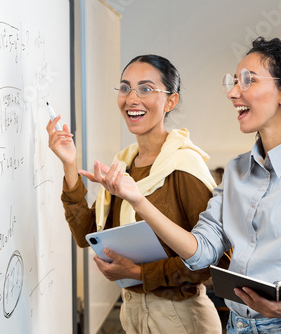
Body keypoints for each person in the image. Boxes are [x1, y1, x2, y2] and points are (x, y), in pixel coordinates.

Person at [80, 37, 281, 333]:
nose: (233, 92)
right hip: (237, 326)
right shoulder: (237, 170)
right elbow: (200, 254)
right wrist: (137, 200)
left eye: (248, 81)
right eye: (233, 82)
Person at [47, 54, 228, 333]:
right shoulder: (124, 164)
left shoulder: (185, 166)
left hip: (181, 318)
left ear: (171, 101)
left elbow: (213, 263)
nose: (131, 99)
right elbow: (86, 233)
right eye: (125, 88)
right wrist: (69, 163)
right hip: (133, 313)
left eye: (145, 89)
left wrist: (138, 273)